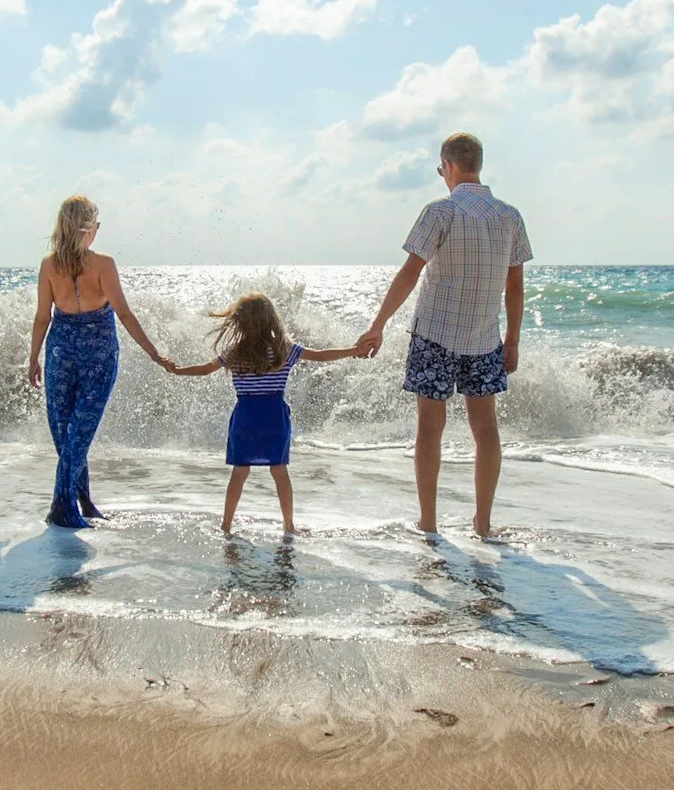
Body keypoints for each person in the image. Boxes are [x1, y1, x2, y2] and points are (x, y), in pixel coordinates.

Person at [353, 132, 532, 538]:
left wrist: (377, 324)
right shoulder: (509, 216)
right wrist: (514, 341)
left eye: (441, 169)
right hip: (485, 339)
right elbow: (515, 287)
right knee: (486, 430)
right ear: (478, 165)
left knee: (430, 429)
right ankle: (482, 524)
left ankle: (429, 522)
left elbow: (409, 274)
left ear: (449, 166)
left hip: (434, 335)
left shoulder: (440, 212)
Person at [165, 292, 363, 536]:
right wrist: (353, 350)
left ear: (240, 322)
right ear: (271, 319)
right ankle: (289, 525)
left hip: (245, 417)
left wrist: (178, 371)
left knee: (239, 472)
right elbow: (321, 356)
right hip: (274, 417)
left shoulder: (234, 352)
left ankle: (226, 525)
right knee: (279, 471)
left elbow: (206, 370)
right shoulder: (283, 350)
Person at [26, 196, 168, 528]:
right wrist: (153, 353)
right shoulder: (103, 264)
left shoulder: (49, 265)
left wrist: (33, 358)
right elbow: (124, 314)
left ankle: (79, 503)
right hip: (98, 355)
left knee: (70, 434)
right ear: (89, 229)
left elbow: (42, 318)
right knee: (75, 434)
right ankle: (65, 506)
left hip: (61, 351)